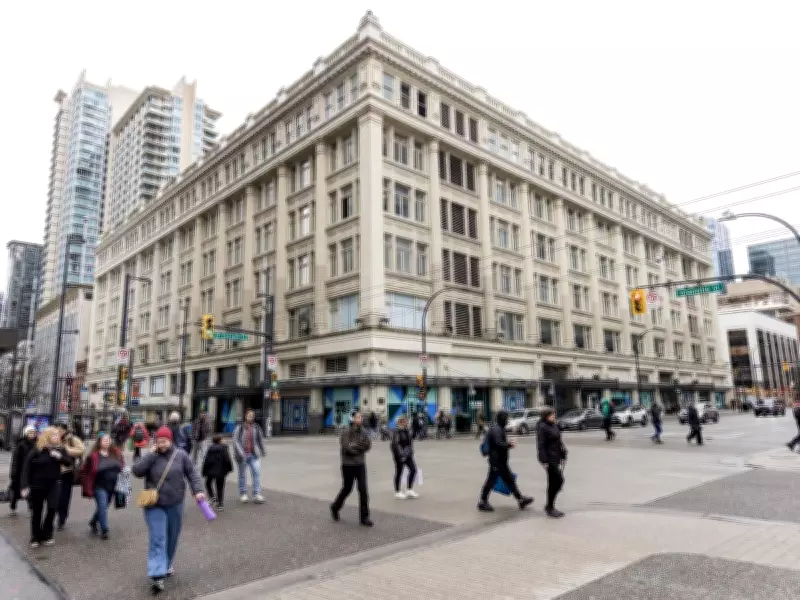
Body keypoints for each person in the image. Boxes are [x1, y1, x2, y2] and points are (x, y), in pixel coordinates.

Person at [131, 426, 204, 594]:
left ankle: (168, 564)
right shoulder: (151, 456)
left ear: (170, 440)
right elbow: (137, 471)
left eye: (164, 441)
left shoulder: (181, 455)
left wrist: (198, 490)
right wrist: (151, 454)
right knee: (158, 538)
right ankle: (157, 575)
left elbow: (192, 473)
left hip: (175, 503)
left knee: (171, 537)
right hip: (154, 504)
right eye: (158, 441)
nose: (161, 444)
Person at [20, 427, 72, 548]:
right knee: (37, 511)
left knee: (52, 508)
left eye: (58, 435)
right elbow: (26, 468)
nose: (57, 437)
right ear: (48, 436)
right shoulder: (37, 450)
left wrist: (59, 457)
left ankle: (47, 534)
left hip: (54, 483)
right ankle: (35, 536)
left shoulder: (60, 449)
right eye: (54, 435)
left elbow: (69, 462)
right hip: (37, 485)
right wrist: (24, 485)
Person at [477, 410, 533, 512]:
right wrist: (509, 444)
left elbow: (498, 443)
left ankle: (520, 499)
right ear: (502, 418)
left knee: (509, 479)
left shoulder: (497, 428)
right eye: (506, 418)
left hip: (500, 461)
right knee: (492, 480)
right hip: (497, 461)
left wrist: (507, 444)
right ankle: (482, 501)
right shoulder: (497, 429)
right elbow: (498, 444)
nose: (507, 420)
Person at [330, 412, 373, 526]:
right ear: (352, 419)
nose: (360, 419)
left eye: (360, 417)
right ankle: (335, 507)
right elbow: (346, 448)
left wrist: (356, 446)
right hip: (348, 464)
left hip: (360, 464)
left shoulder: (364, 432)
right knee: (347, 489)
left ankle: (364, 517)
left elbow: (368, 445)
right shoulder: (346, 432)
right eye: (357, 417)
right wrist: (359, 447)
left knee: (363, 490)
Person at [80, 433, 124, 540]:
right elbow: (84, 471)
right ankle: (105, 529)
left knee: (103, 507)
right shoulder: (93, 456)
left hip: (113, 486)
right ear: (99, 442)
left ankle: (93, 521)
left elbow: (122, 466)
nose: (107, 442)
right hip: (99, 486)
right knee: (103, 505)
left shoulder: (116, 453)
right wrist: (86, 486)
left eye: (108, 440)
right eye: (104, 440)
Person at [536, 407, 567, 518]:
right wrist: (544, 460)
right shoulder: (542, 427)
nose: (554, 416)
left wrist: (563, 451)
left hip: (556, 456)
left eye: (554, 414)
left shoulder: (554, 425)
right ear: (546, 416)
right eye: (552, 415)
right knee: (559, 480)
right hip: (549, 459)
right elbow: (541, 445)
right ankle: (550, 506)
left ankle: (549, 506)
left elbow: (558, 440)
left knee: (553, 483)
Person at [56, 423, 85, 530]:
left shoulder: (73, 439)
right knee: (55, 496)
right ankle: (57, 513)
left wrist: (65, 450)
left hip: (67, 472)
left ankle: (62, 518)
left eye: (60, 430)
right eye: (57, 430)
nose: (59, 432)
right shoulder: (53, 438)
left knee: (64, 497)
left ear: (65, 430)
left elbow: (81, 450)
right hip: (53, 472)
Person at [232, 410, 265, 504]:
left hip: (253, 455)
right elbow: (235, 441)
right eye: (249, 415)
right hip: (242, 456)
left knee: (256, 473)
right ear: (245, 416)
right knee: (242, 475)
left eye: (252, 416)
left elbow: (260, 440)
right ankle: (243, 494)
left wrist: (263, 450)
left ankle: (256, 494)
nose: (251, 417)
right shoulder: (240, 427)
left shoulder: (256, 427)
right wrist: (241, 453)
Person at [8, 426, 37, 516]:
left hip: (32, 471)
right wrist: (13, 473)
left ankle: (31, 507)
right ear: (26, 433)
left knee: (30, 490)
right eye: (30, 433)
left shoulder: (37, 444)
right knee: (17, 491)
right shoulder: (21, 445)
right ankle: (13, 506)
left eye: (33, 432)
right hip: (20, 472)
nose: (32, 434)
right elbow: (15, 461)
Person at [201, 435, 233, 510]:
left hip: (210, 471)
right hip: (221, 471)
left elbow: (206, 460)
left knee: (208, 483)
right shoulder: (224, 448)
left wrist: (204, 471)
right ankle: (220, 504)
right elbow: (227, 460)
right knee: (220, 487)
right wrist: (229, 469)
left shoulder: (210, 448)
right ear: (220, 440)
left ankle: (212, 496)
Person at [390, 415, 418, 499]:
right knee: (399, 472)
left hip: (408, 454)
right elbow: (395, 445)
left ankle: (409, 489)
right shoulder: (396, 432)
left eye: (407, 421)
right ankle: (397, 491)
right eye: (405, 421)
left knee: (413, 470)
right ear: (400, 422)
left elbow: (410, 440)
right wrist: (400, 455)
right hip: (400, 456)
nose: (407, 422)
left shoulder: (406, 431)